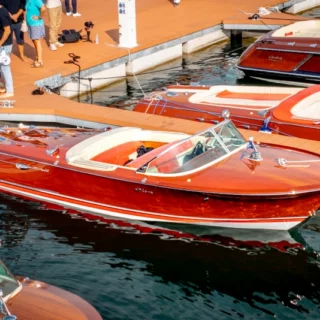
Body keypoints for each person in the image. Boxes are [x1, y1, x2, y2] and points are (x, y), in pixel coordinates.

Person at [26, 0, 45, 67]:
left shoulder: (36, 0)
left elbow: (43, 8)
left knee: (37, 41)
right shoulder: (27, 0)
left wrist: (39, 17)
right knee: (34, 41)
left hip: (36, 24)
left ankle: (40, 61)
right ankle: (38, 58)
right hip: (31, 24)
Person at [0, 3, 14, 98]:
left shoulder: (2, 13)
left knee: (5, 68)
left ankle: (10, 91)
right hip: (3, 45)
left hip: (4, 46)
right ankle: (4, 87)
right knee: (2, 68)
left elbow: (7, 30)